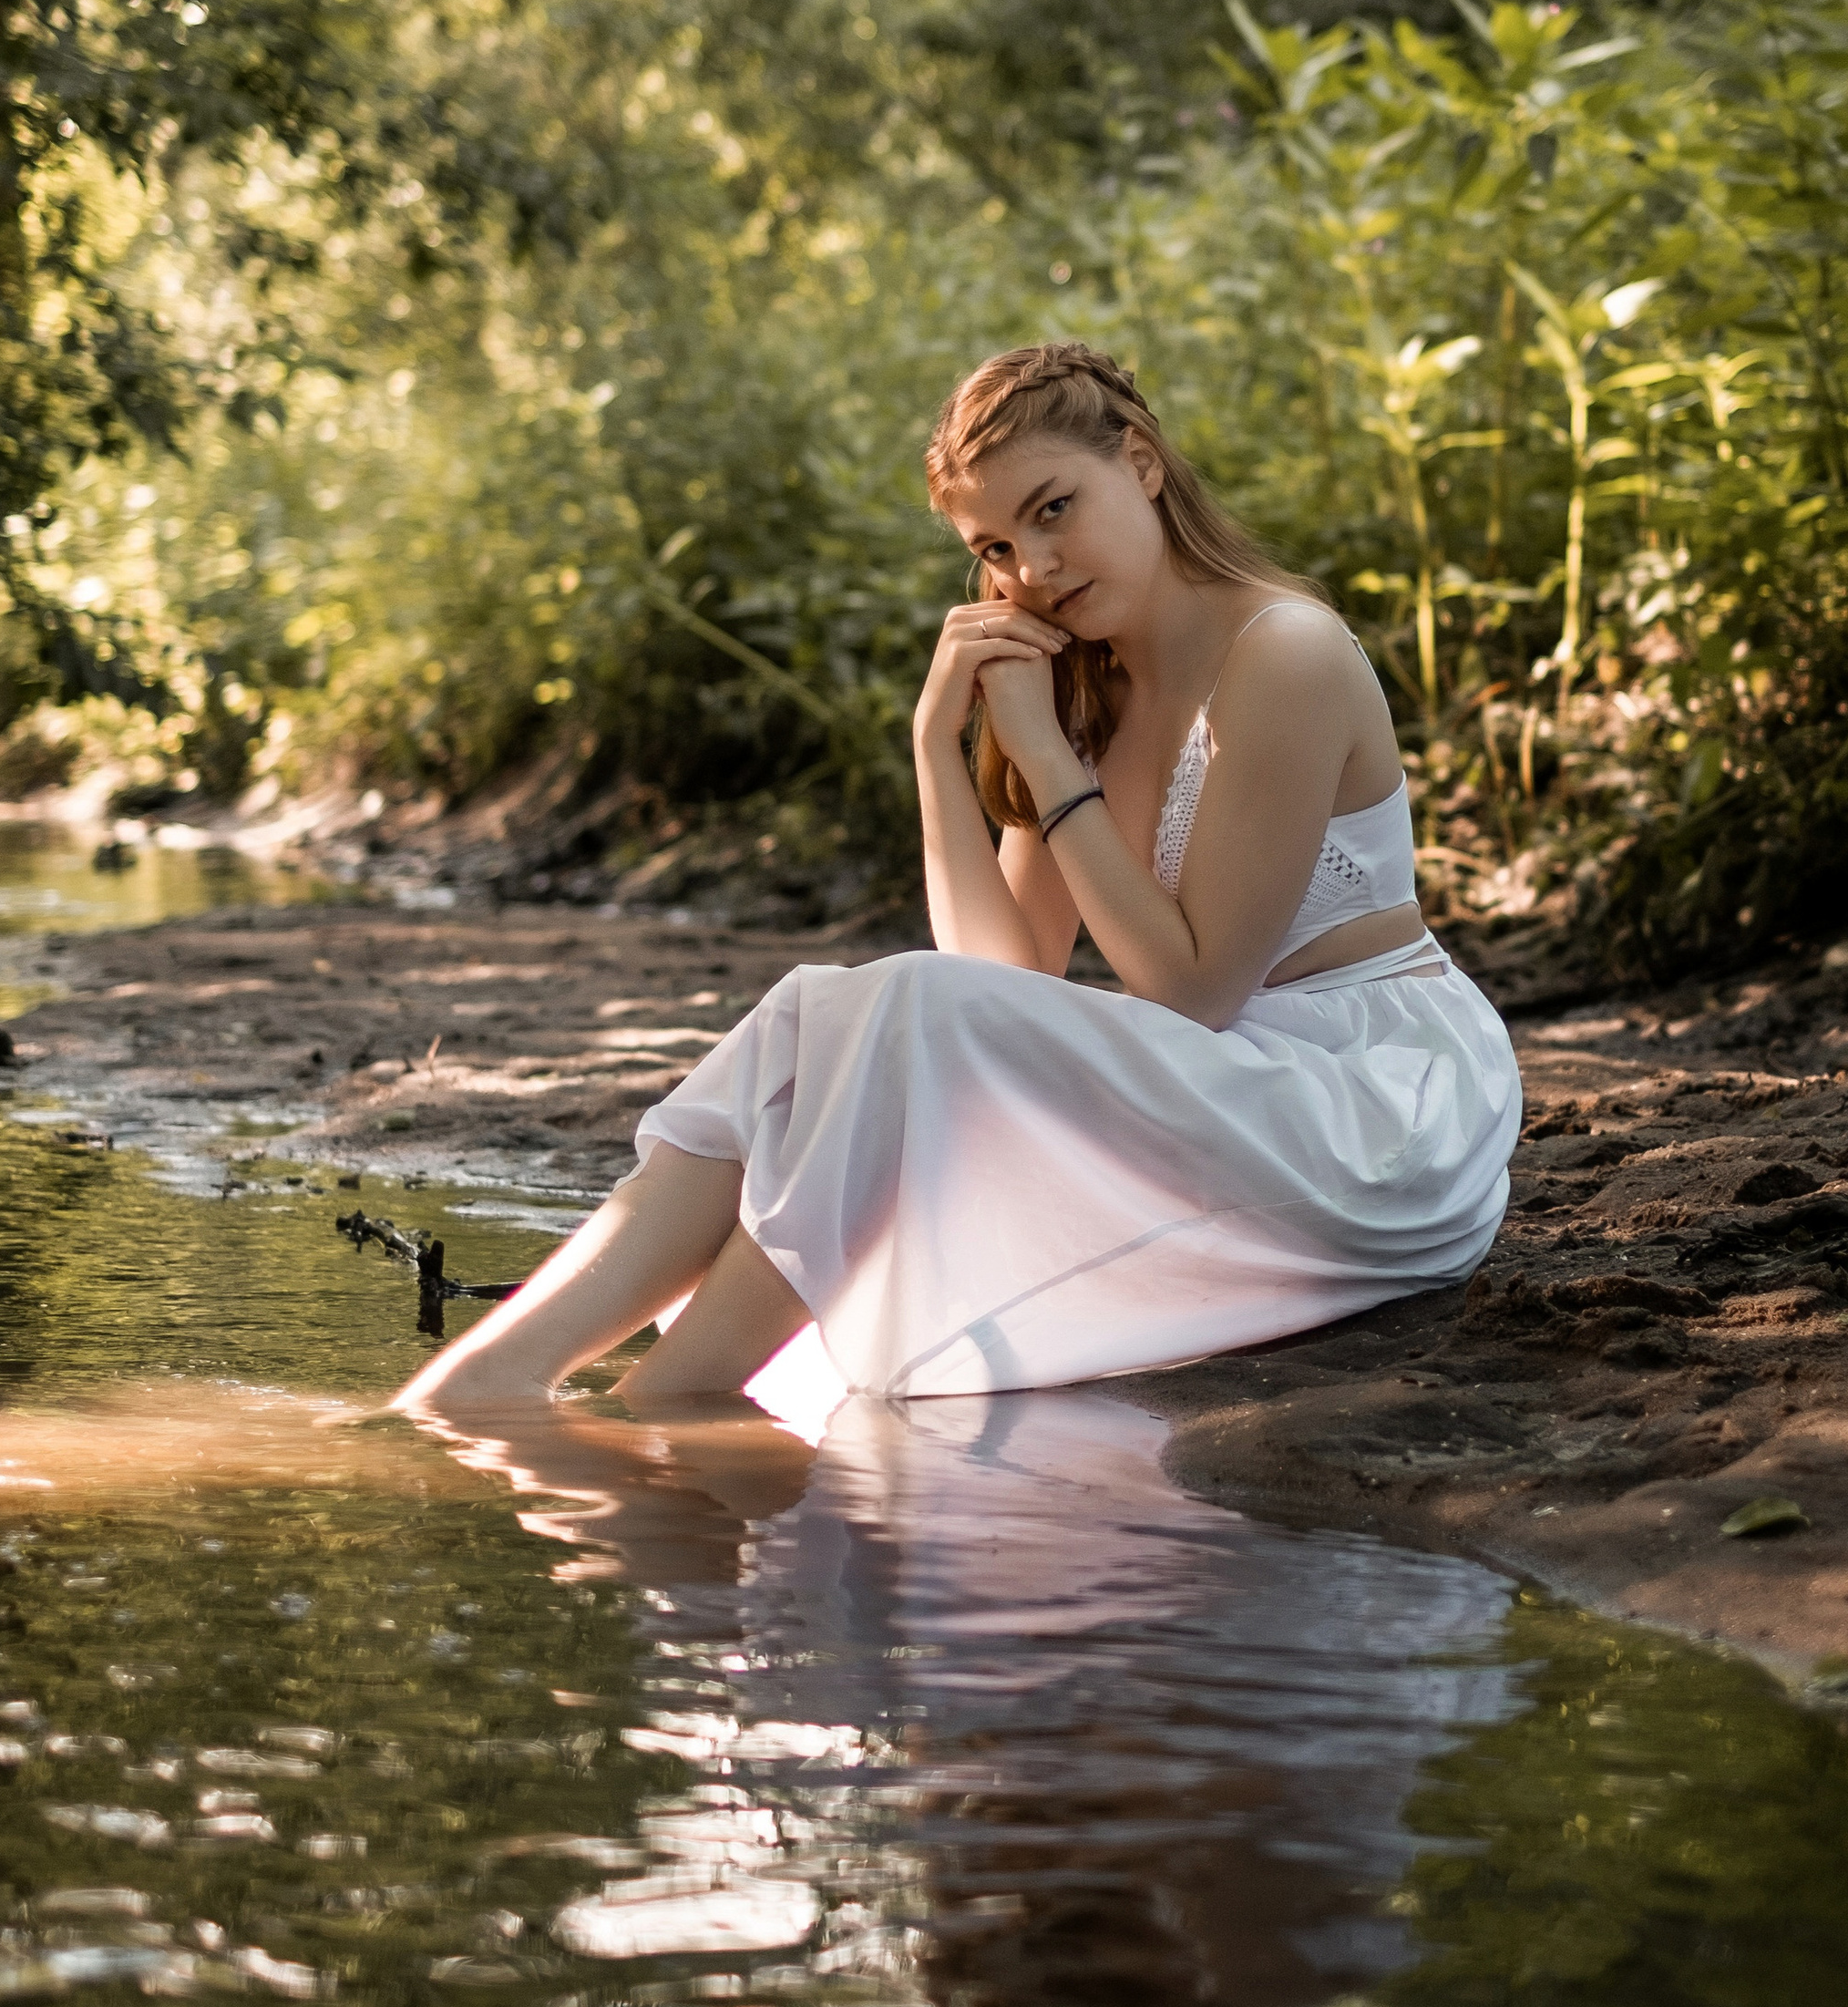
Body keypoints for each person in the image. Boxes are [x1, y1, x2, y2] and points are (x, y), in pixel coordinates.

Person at [392, 342, 1520, 1422]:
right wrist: (937, 745)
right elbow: (1000, 975)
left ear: (1139, 463)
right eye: (995, 546)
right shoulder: (1086, 684)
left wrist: (1046, 762)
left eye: (1053, 509)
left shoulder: (1284, 653)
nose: (1034, 570)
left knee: (893, 1008)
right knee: (815, 1012)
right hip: (1230, 1088)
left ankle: (667, 1399)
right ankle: (501, 1376)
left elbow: (1193, 992)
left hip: (1372, 1108)